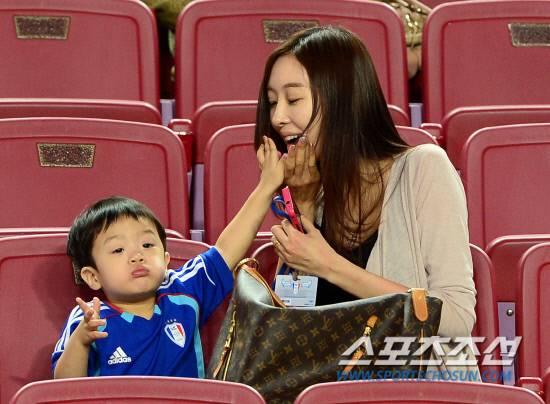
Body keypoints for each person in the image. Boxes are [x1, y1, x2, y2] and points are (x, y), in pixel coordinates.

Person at [254, 26, 478, 374]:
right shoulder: (313, 192)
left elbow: (457, 318)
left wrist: (330, 265)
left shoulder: (424, 169)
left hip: (415, 387)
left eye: (293, 100)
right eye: (272, 102)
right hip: (328, 390)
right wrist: (304, 208)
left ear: (343, 100)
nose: (277, 117)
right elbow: (291, 333)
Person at [52, 136, 284, 379]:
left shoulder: (183, 292)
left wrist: (266, 187)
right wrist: (81, 341)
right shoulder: (89, 319)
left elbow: (227, 250)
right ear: (92, 276)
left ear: (165, 260)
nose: (137, 256)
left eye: (147, 244)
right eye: (118, 250)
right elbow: (64, 386)